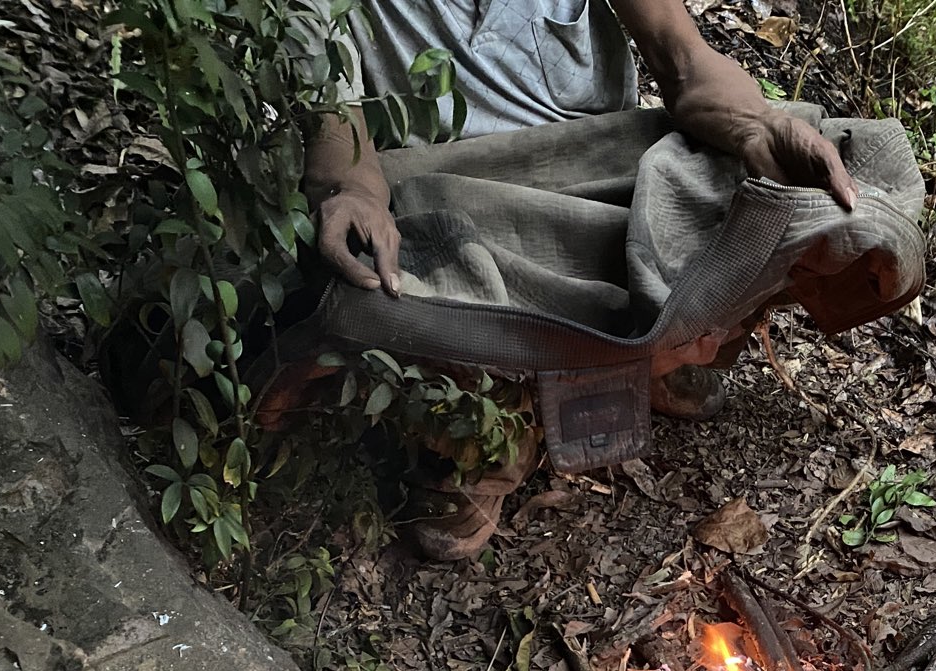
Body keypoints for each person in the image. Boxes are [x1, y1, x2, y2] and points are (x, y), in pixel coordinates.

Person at [304, 0, 858, 400]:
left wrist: (759, 127)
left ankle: (628, 351)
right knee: (380, 271)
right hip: (458, 200)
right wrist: (352, 189)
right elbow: (331, 109)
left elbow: (684, 59)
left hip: (600, 177)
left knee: (812, 157)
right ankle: (511, 418)